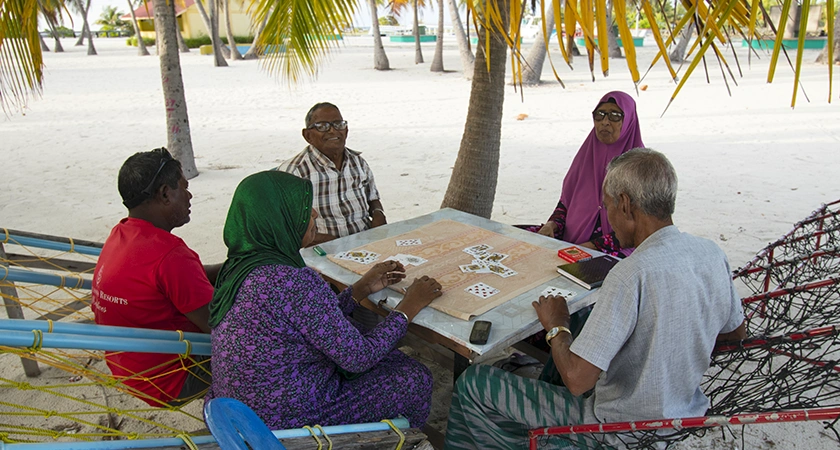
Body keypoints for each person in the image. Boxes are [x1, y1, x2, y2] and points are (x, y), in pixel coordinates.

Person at [444, 149, 746, 449]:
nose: (609, 218)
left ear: (625, 204)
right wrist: (672, 353)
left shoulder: (630, 274)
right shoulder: (711, 253)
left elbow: (577, 381)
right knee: (584, 319)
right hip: (680, 415)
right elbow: (735, 335)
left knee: (474, 382)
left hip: (616, 427)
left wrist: (556, 327)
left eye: (608, 206)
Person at [207, 170, 441, 430]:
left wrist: (359, 290)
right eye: (304, 209)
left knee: (388, 354)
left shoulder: (239, 267)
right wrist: (408, 307)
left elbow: (310, 320)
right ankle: (404, 442)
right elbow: (358, 357)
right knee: (415, 377)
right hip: (284, 421)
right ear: (279, 219)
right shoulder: (290, 281)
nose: (315, 214)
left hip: (237, 411)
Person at [91, 148, 220, 407]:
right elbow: (222, 329)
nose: (189, 195)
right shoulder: (170, 255)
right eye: (184, 187)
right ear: (164, 193)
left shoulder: (122, 233)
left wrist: (235, 265)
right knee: (275, 341)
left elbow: (183, 280)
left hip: (129, 368)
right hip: (171, 379)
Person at [528, 91, 644, 257]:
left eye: (615, 116)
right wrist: (552, 225)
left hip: (617, 249)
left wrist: (588, 247)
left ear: (629, 121)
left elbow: (639, 226)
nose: (605, 122)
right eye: (600, 115)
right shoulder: (585, 156)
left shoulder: (641, 167)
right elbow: (566, 203)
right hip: (572, 241)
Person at [277, 102, 386, 246]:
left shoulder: (359, 163)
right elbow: (284, 227)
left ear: (346, 130)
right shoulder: (293, 172)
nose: (333, 131)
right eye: (322, 126)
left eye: (338, 124)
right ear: (307, 135)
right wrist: (327, 241)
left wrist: (378, 213)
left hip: (366, 243)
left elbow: (373, 199)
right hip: (320, 251)